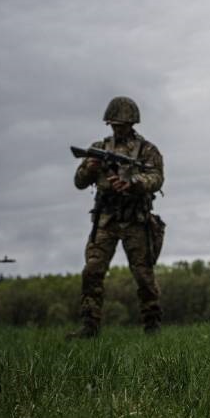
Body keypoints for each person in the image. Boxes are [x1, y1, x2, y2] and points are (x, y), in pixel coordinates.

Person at [68, 96, 165, 338]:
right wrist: (88, 168)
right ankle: (89, 326)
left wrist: (133, 183)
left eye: (122, 124)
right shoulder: (99, 148)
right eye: (114, 124)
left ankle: (152, 326)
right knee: (92, 271)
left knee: (143, 275)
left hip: (136, 220)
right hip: (106, 219)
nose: (117, 128)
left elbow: (156, 179)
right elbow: (79, 182)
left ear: (132, 123)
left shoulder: (147, 151)